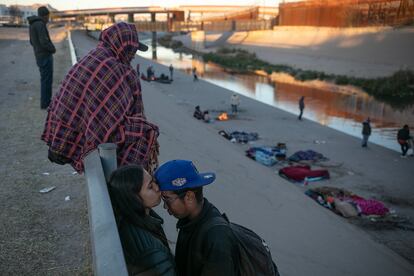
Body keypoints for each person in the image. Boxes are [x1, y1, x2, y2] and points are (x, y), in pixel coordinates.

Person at [41, 22, 159, 174]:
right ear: (123, 45)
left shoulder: (94, 56)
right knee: (146, 132)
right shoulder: (118, 69)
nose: (134, 54)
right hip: (79, 144)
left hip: (59, 139)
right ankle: (126, 184)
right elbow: (118, 120)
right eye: (133, 49)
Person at [155, 160, 239, 276]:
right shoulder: (190, 220)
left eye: (167, 199)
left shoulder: (217, 237)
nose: (165, 206)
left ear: (189, 197)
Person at [108, 165, 175, 275]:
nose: (157, 188)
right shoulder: (150, 251)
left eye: (154, 181)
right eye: (150, 186)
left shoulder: (132, 219)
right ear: (133, 197)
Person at [28, 6, 56, 109]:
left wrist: (37, 49)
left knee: (44, 79)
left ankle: (45, 102)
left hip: (39, 56)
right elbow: (44, 41)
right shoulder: (40, 24)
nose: (48, 19)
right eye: (48, 16)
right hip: (45, 56)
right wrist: (52, 49)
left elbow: (32, 42)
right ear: (44, 16)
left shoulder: (32, 25)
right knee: (47, 81)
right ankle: (46, 104)